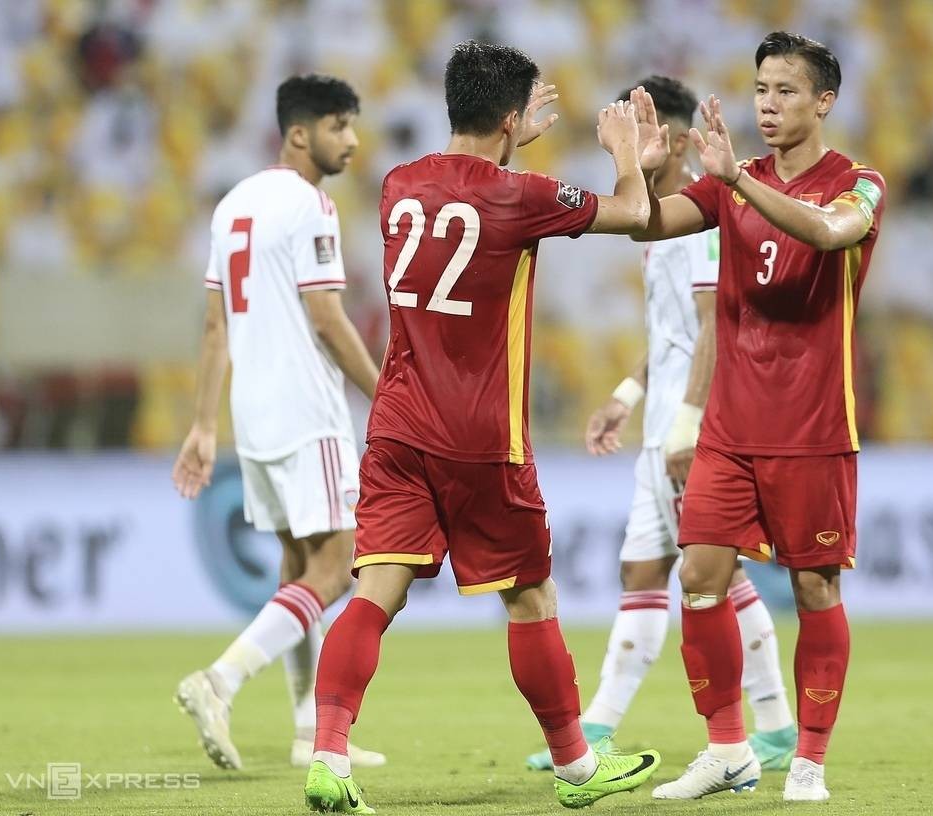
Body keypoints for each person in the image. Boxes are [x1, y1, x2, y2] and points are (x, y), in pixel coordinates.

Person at [301, 41, 670, 813]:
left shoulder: (400, 183)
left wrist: (506, 143)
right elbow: (637, 215)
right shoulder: (520, 194)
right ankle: (576, 766)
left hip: (398, 426)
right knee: (530, 598)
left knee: (374, 594)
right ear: (511, 117)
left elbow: (462, 197)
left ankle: (329, 756)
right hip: (481, 436)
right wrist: (625, 153)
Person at [628, 32, 886, 802]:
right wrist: (638, 175)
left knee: (814, 591)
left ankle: (807, 758)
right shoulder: (727, 183)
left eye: (785, 92)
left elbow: (828, 231)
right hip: (732, 429)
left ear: (824, 101)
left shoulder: (859, 182)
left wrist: (737, 178)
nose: (767, 105)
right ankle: (727, 749)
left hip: (812, 428)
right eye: (760, 91)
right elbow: (645, 226)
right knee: (700, 578)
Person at [523, 75, 797, 774]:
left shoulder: (702, 225)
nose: (635, 146)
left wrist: (688, 425)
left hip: (692, 428)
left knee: (718, 576)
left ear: (675, 141)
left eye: (647, 133)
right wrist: (625, 393)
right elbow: (671, 333)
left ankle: (771, 726)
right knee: (644, 569)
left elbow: (713, 329)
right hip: (662, 428)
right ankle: (601, 727)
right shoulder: (657, 227)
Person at [171, 73, 385, 773]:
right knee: (343, 561)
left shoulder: (232, 205)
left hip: (252, 414)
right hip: (307, 410)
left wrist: (204, 426)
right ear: (300, 133)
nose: (351, 141)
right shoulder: (309, 205)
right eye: (338, 127)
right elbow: (326, 316)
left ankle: (306, 731)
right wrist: (384, 392)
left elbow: (213, 325)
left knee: (297, 566)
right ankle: (220, 680)